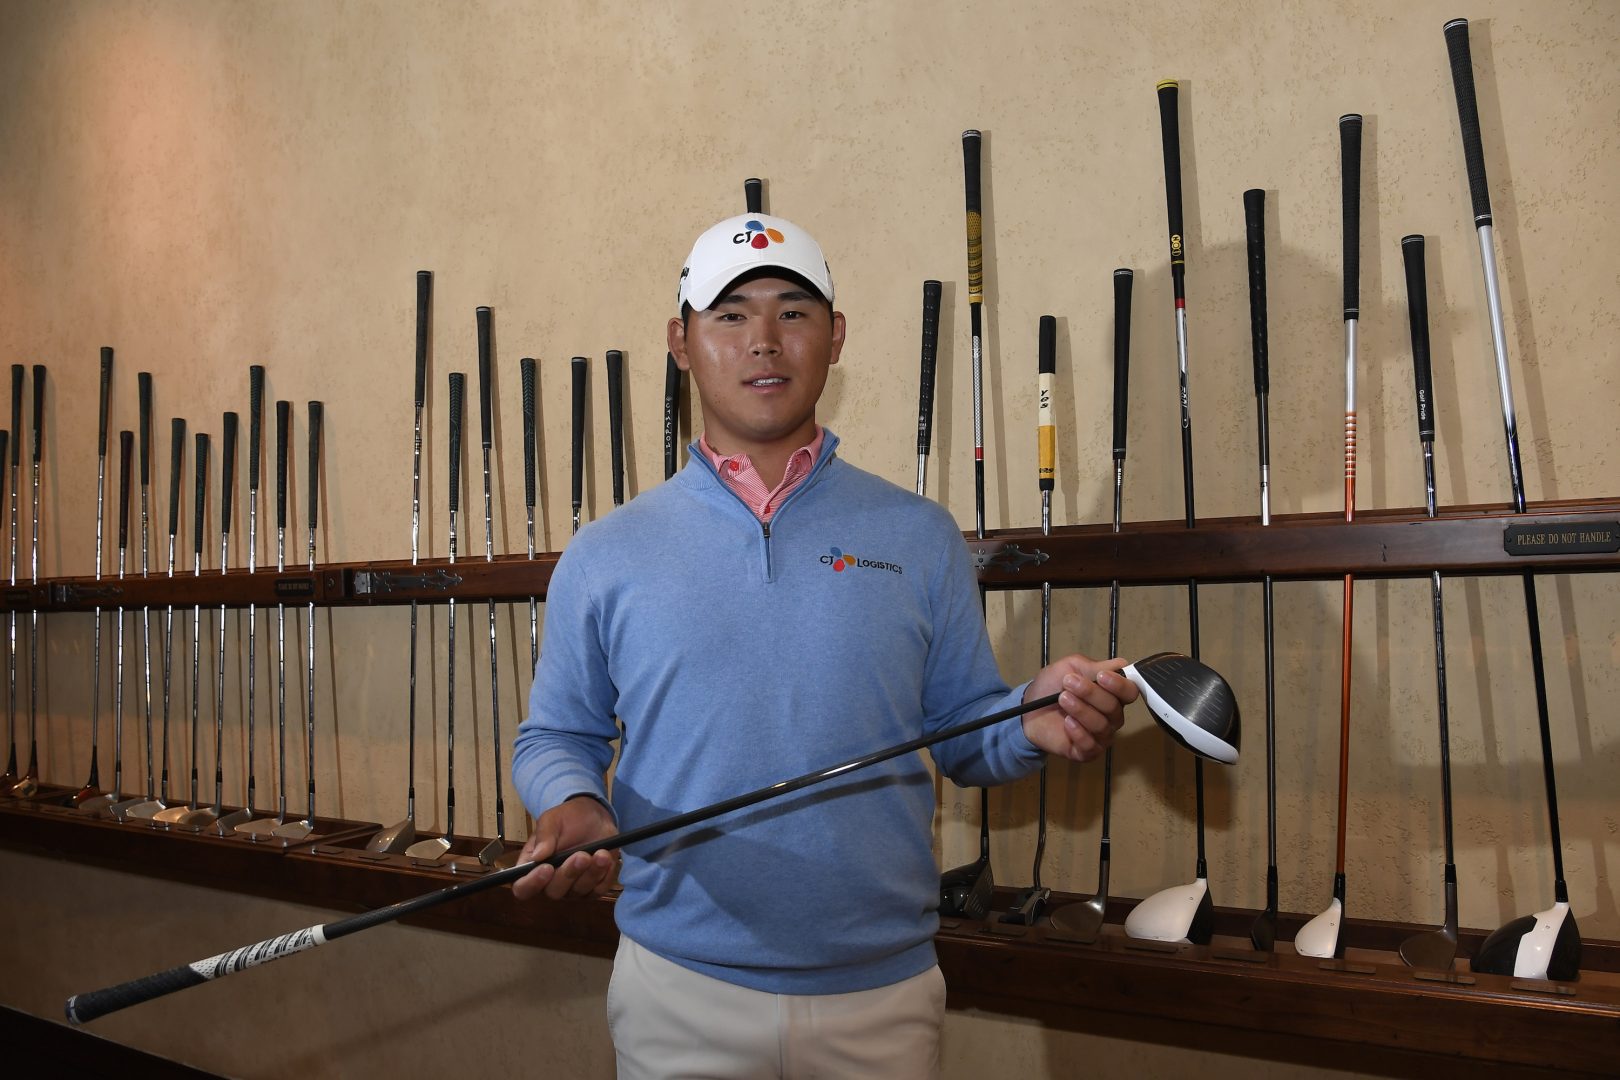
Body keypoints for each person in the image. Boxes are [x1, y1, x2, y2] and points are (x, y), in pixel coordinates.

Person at [510, 210, 1139, 1079]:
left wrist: (1031, 722)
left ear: (834, 337)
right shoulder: (607, 551)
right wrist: (573, 802)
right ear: (680, 342)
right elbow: (555, 737)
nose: (763, 340)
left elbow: (961, 729)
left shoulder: (919, 535)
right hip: (679, 991)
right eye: (729, 315)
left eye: (792, 312)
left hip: (880, 999)